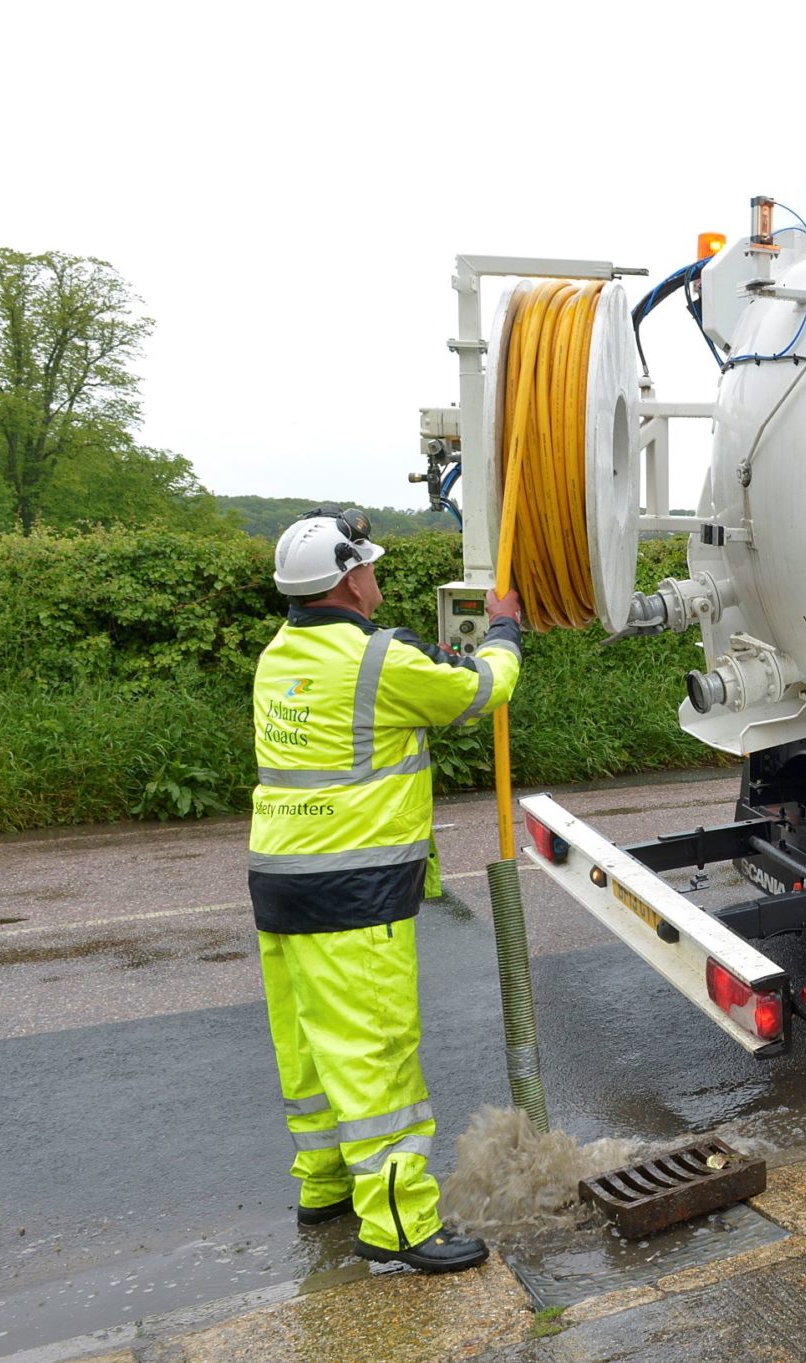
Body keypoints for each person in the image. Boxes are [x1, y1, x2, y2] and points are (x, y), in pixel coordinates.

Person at [249, 508, 522, 1273]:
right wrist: (503, 628)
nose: (374, 577)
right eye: (365, 567)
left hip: (281, 882)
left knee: (307, 1051)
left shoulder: (279, 653)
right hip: (353, 894)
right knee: (377, 1058)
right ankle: (399, 1223)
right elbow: (482, 689)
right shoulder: (377, 661)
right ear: (346, 580)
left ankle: (323, 1184)